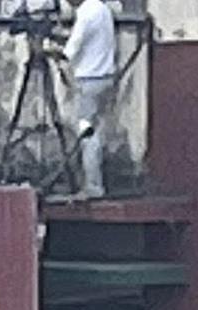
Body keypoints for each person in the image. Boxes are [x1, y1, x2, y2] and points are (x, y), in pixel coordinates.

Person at [64, 0, 123, 194]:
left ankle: (93, 185)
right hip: (106, 76)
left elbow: (73, 46)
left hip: (89, 79)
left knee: (86, 132)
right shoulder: (103, 9)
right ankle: (97, 179)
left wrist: (57, 52)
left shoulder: (86, 12)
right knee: (97, 130)